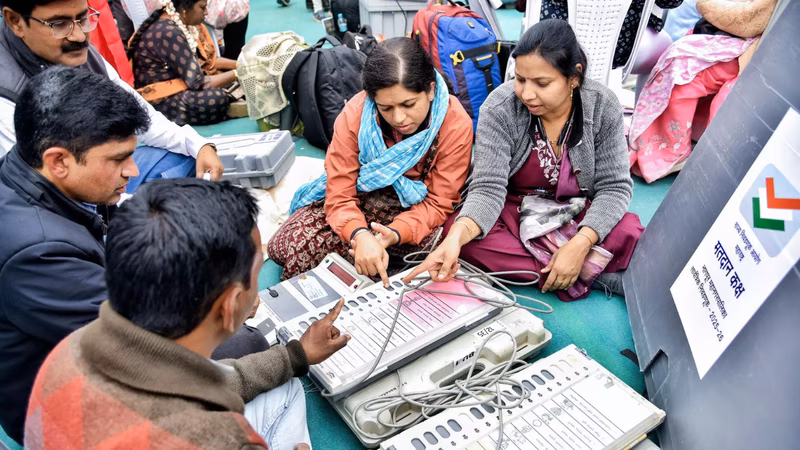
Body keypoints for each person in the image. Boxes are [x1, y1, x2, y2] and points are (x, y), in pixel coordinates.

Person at [0, 67, 262, 445]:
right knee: (247, 343)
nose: (132, 170)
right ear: (58, 160)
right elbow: (140, 339)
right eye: (118, 159)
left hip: (74, 350)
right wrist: (218, 301)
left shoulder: (32, 171)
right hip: (55, 407)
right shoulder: (37, 254)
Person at [25, 178, 349, 450]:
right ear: (230, 305)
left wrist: (295, 356)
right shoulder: (222, 439)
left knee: (286, 386)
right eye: (255, 272)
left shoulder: (69, 348)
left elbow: (209, 379)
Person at [406, 20, 644, 301]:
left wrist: (582, 242)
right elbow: (487, 189)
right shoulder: (500, 108)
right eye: (520, 79)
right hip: (514, 212)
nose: (527, 94)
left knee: (627, 229)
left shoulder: (602, 105)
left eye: (542, 83)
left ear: (574, 77)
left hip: (575, 211)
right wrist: (455, 239)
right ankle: (592, 272)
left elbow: (614, 188)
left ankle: (568, 265)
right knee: (464, 240)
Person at [268, 37, 473, 285]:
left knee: (451, 246)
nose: (399, 118)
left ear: (430, 90)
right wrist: (359, 234)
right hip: (362, 200)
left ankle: (371, 262)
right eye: (386, 108)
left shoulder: (454, 123)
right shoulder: (356, 114)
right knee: (284, 246)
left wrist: (394, 234)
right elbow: (340, 192)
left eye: (409, 104)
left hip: (415, 213)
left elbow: (439, 202)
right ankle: (376, 262)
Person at [0, 0, 224, 182]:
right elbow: (33, 189)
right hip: (55, 202)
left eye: (83, 19)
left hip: (94, 175)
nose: (79, 37)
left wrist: (198, 145)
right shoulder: (5, 92)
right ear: (15, 21)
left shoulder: (84, 56)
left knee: (189, 159)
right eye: (59, 24)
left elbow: (141, 116)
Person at [628, 0, 777, 183]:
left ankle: (672, 150)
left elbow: (747, 21)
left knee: (681, 71)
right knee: (675, 57)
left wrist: (707, 6)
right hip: (731, 38)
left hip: (748, 48)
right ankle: (668, 145)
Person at [129, 0, 238, 125]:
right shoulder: (169, 32)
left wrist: (240, 64)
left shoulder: (186, 24)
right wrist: (237, 73)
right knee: (216, 98)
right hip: (160, 99)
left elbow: (207, 63)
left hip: (184, 85)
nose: (206, 12)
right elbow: (198, 83)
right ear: (185, 9)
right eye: (202, 7)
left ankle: (232, 98)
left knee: (231, 82)